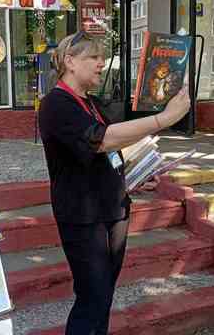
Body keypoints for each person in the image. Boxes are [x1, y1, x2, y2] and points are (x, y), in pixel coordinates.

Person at [38, 31, 190, 335]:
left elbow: (114, 147)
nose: (101, 63)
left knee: (104, 293)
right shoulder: (56, 104)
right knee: (92, 297)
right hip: (82, 215)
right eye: (93, 57)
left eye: (102, 57)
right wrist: (164, 119)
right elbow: (102, 140)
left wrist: (134, 174)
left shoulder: (91, 103)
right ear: (70, 61)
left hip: (114, 207)